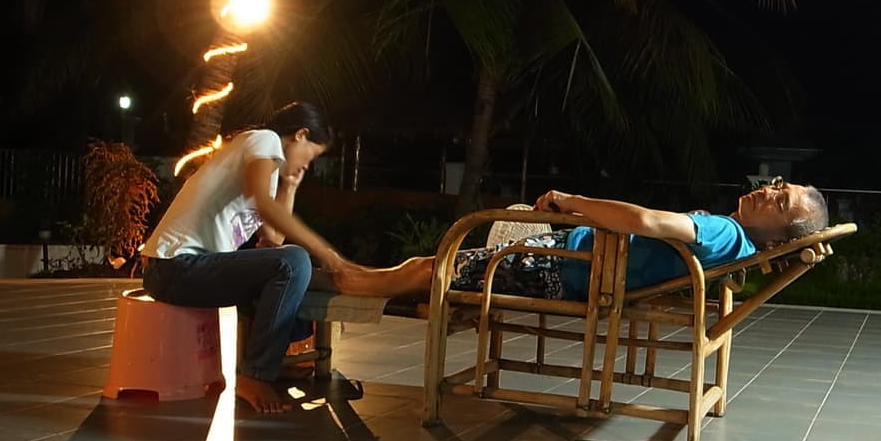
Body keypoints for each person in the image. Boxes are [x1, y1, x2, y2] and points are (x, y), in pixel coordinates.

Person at [140, 101, 358, 413]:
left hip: (185, 270)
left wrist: (290, 187)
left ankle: (270, 364)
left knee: (292, 265)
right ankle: (255, 375)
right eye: (311, 155)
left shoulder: (269, 170)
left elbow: (273, 240)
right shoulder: (264, 139)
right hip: (173, 267)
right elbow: (263, 205)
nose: (307, 165)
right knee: (296, 261)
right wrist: (324, 251)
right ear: (300, 135)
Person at [331, 177, 828, 301]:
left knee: (430, 268)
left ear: (777, 237)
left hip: (562, 265)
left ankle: (343, 284)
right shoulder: (737, 244)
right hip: (571, 267)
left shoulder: (725, 232)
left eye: (780, 202)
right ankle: (347, 278)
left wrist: (573, 200)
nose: (769, 192)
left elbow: (646, 221)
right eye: (777, 186)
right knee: (429, 265)